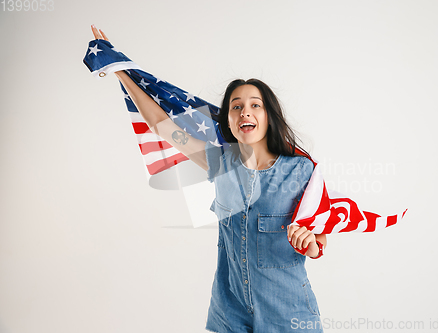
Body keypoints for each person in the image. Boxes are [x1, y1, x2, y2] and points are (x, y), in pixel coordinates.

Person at [91, 25, 327, 333]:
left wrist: (309, 243)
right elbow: (162, 125)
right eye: (236, 106)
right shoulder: (221, 163)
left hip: (288, 314)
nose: (245, 112)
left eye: (255, 105)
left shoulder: (301, 171)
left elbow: (319, 240)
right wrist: (121, 70)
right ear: (228, 120)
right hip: (229, 313)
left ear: (269, 115)